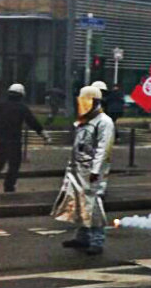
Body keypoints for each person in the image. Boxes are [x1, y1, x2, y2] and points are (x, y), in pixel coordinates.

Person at [56, 86, 114, 255]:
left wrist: (96, 171)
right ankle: (82, 237)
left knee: (93, 206)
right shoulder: (84, 121)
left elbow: (104, 149)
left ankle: (97, 241)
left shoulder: (104, 122)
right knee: (80, 206)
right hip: (78, 170)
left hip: (92, 172)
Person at [0, 84, 50, 193]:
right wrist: (43, 134)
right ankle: (9, 186)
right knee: (14, 165)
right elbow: (32, 122)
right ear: (21, 95)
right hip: (14, 141)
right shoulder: (22, 108)